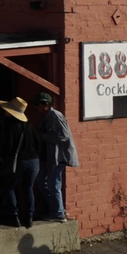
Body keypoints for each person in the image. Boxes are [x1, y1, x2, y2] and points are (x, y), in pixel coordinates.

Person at [31, 93, 79, 222]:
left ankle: (58, 213)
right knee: (41, 182)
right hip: (48, 156)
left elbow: (64, 136)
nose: (35, 107)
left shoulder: (56, 116)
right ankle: (58, 209)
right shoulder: (45, 116)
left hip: (57, 157)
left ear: (45, 104)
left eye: (37, 104)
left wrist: (43, 136)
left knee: (53, 185)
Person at [0, 96, 40, 228]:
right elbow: (38, 143)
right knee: (28, 188)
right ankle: (29, 217)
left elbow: (8, 146)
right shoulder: (30, 126)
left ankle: (14, 216)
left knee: (10, 187)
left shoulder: (10, 126)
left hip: (19, 161)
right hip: (34, 161)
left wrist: (3, 157)